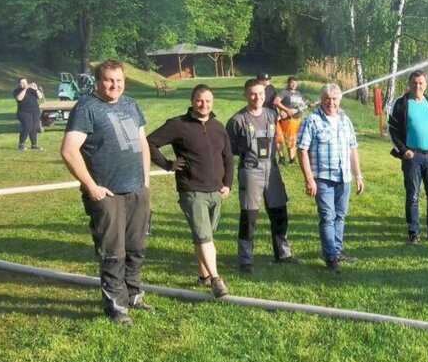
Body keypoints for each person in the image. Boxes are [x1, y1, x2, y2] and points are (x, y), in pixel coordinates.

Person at [60, 60, 152, 326]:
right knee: (113, 251)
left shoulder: (131, 104)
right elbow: (68, 151)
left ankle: (134, 295)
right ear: (98, 82)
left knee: (137, 246)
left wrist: (145, 180)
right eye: (109, 80)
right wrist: (92, 186)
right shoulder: (86, 107)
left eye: (119, 80)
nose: (115, 85)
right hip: (107, 193)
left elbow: (143, 144)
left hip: (137, 189)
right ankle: (116, 306)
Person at [147, 84, 235, 299]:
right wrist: (168, 164)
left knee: (205, 235)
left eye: (208, 101)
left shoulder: (218, 126)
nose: (204, 105)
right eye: (199, 100)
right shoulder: (178, 125)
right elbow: (149, 142)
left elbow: (228, 157)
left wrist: (227, 184)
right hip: (192, 190)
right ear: (192, 101)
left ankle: (204, 276)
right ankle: (216, 279)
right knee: (203, 234)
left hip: (216, 190)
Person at [227, 78, 299, 274]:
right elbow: (228, 148)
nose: (257, 97)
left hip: (272, 170)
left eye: (260, 93)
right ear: (245, 95)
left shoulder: (271, 114)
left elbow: (287, 125)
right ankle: (246, 260)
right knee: (249, 216)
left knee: (279, 212)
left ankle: (283, 254)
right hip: (251, 171)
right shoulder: (237, 120)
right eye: (252, 93)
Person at [297, 83, 364, 273]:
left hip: (344, 177)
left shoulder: (345, 120)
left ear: (339, 100)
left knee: (340, 216)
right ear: (321, 100)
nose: (331, 103)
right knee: (327, 217)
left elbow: (352, 149)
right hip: (323, 178)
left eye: (334, 99)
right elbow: (302, 150)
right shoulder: (312, 121)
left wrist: (358, 175)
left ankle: (337, 250)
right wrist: (309, 179)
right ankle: (331, 257)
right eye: (327, 99)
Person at [388, 70, 428, 243]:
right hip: (412, 158)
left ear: (426, 84)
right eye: (414, 83)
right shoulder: (401, 103)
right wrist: (403, 150)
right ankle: (414, 232)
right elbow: (392, 130)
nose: (417, 86)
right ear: (409, 84)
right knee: (413, 196)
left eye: (421, 83)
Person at [276, 76, 312, 164]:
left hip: (298, 119)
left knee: (294, 139)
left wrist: (310, 104)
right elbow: (276, 102)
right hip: (289, 119)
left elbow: (304, 104)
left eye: (295, 83)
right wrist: (287, 110)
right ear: (288, 83)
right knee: (291, 139)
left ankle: (292, 158)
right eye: (292, 83)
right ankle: (291, 159)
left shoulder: (298, 93)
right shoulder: (284, 92)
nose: (293, 85)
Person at [13, 77, 44, 151]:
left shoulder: (32, 90)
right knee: (27, 127)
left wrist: (36, 89)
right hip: (24, 112)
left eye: (25, 82)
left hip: (35, 111)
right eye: (22, 82)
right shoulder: (17, 91)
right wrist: (25, 89)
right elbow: (19, 98)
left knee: (34, 128)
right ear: (19, 84)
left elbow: (40, 97)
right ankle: (21, 144)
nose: (24, 84)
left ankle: (34, 144)